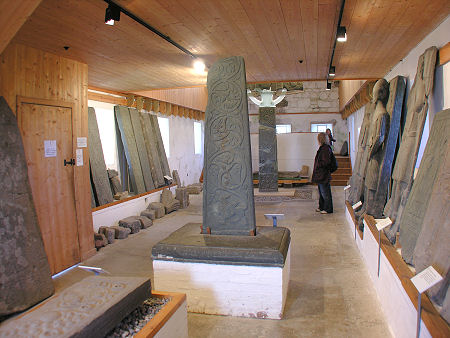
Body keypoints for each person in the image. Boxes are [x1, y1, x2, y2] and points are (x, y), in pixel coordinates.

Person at [312, 132, 333, 214]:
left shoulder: (325, 149)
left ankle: (328, 209)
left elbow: (326, 162)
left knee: (325, 192)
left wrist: (319, 165)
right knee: (321, 192)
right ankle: (322, 207)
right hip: (321, 174)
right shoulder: (323, 148)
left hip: (323, 174)